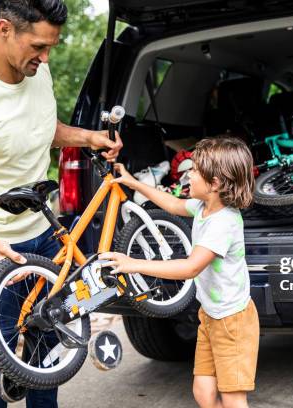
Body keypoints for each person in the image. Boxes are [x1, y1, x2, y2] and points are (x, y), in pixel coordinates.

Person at [0, 0, 122, 406]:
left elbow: (42, 128)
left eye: (51, 47)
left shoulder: (37, 70)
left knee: (48, 354)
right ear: (4, 30)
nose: (45, 57)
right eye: (38, 47)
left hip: (45, 235)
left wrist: (91, 138)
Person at [100, 137, 260, 408]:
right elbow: (173, 205)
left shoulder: (223, 223)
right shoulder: (203, 207)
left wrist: (133, 263)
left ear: (216, 184)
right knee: (203, 393)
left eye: (195, 171)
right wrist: (133, 182)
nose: (188, 174)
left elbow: (190, 267)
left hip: (233, 322)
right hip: (211, 316)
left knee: (233, 400)